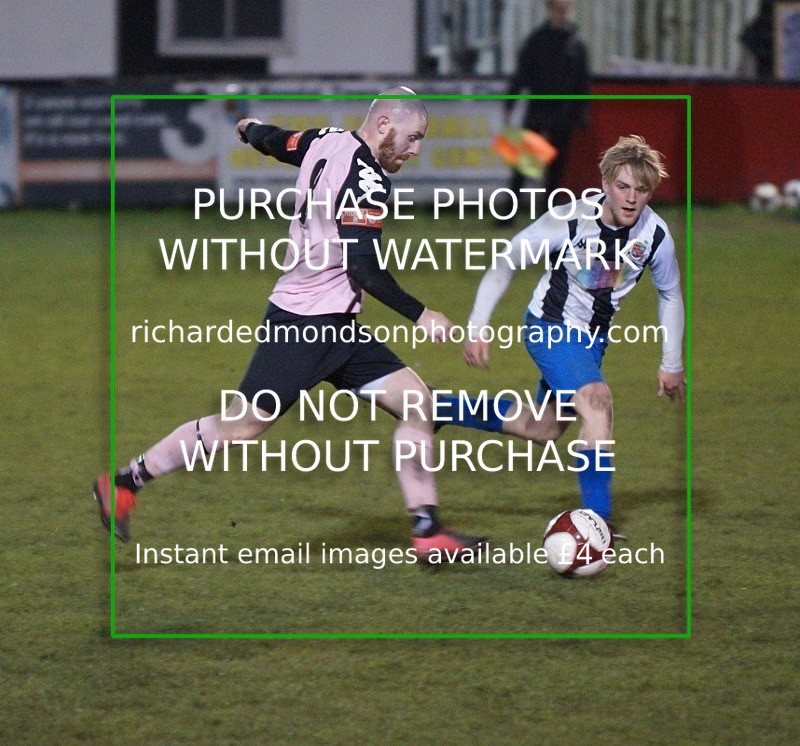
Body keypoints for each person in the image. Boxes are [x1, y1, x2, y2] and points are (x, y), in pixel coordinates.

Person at [93, 87, 485, 561]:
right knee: (239, 426)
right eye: (414, 137)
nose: (415, 149)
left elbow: (280, 142)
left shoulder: (325, 139)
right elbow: (363, 267)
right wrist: (422, 314)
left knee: (419, 404)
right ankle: (124, 482)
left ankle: (427, 531)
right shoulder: (366, 179)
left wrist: (249, 129)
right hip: (305, 323)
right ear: (384, 124)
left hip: (338, 325)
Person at [438, 135, 686, 533]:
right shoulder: (569, 220)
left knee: (544, 428)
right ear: (604, 183)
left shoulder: (655, 236)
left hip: (591, 342)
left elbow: (670, 293)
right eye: (622, 186)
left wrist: (671, 362)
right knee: (598, 403)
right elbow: (507, 260)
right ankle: (598, 525)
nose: (630, 199)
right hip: (550, 327)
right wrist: (477, 326)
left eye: (641, 190)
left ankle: (441, 408)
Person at [503, 0, 590, 218]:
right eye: (559, 9)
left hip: (564, 110)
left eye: (566, 10)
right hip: (539, 107)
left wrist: (582, 112)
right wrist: (510, 102)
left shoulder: (576, 44)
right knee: (525, 162)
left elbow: (582, 81)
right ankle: (508, 212)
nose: (563, 14)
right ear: (550, 10)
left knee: (556, 167)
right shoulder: (537, 40)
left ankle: (548, 212)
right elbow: (522, 73)